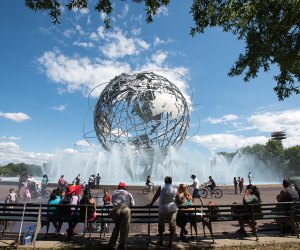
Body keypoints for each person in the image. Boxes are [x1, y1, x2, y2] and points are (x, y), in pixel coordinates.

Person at [146, 176, 178, 248]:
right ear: (171, 181)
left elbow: (156, 196)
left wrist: (151, 204)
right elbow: (177, 197)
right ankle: (170, 242)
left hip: (163, 209)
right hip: (173, 209)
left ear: (165, 181)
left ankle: (161, 240)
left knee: (161, 224)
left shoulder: (161, 186)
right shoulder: (175, 187)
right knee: (172, 225)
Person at [109, 182, 135, 250]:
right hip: (125, 209)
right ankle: (122, 245)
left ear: (118, 187)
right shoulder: (128, 194)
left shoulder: (114, 193)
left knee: (117, 226)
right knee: (125, 228)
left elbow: (112, 202)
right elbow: (133, 204)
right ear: (125, 187)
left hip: (116, 210)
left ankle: (112, 243)